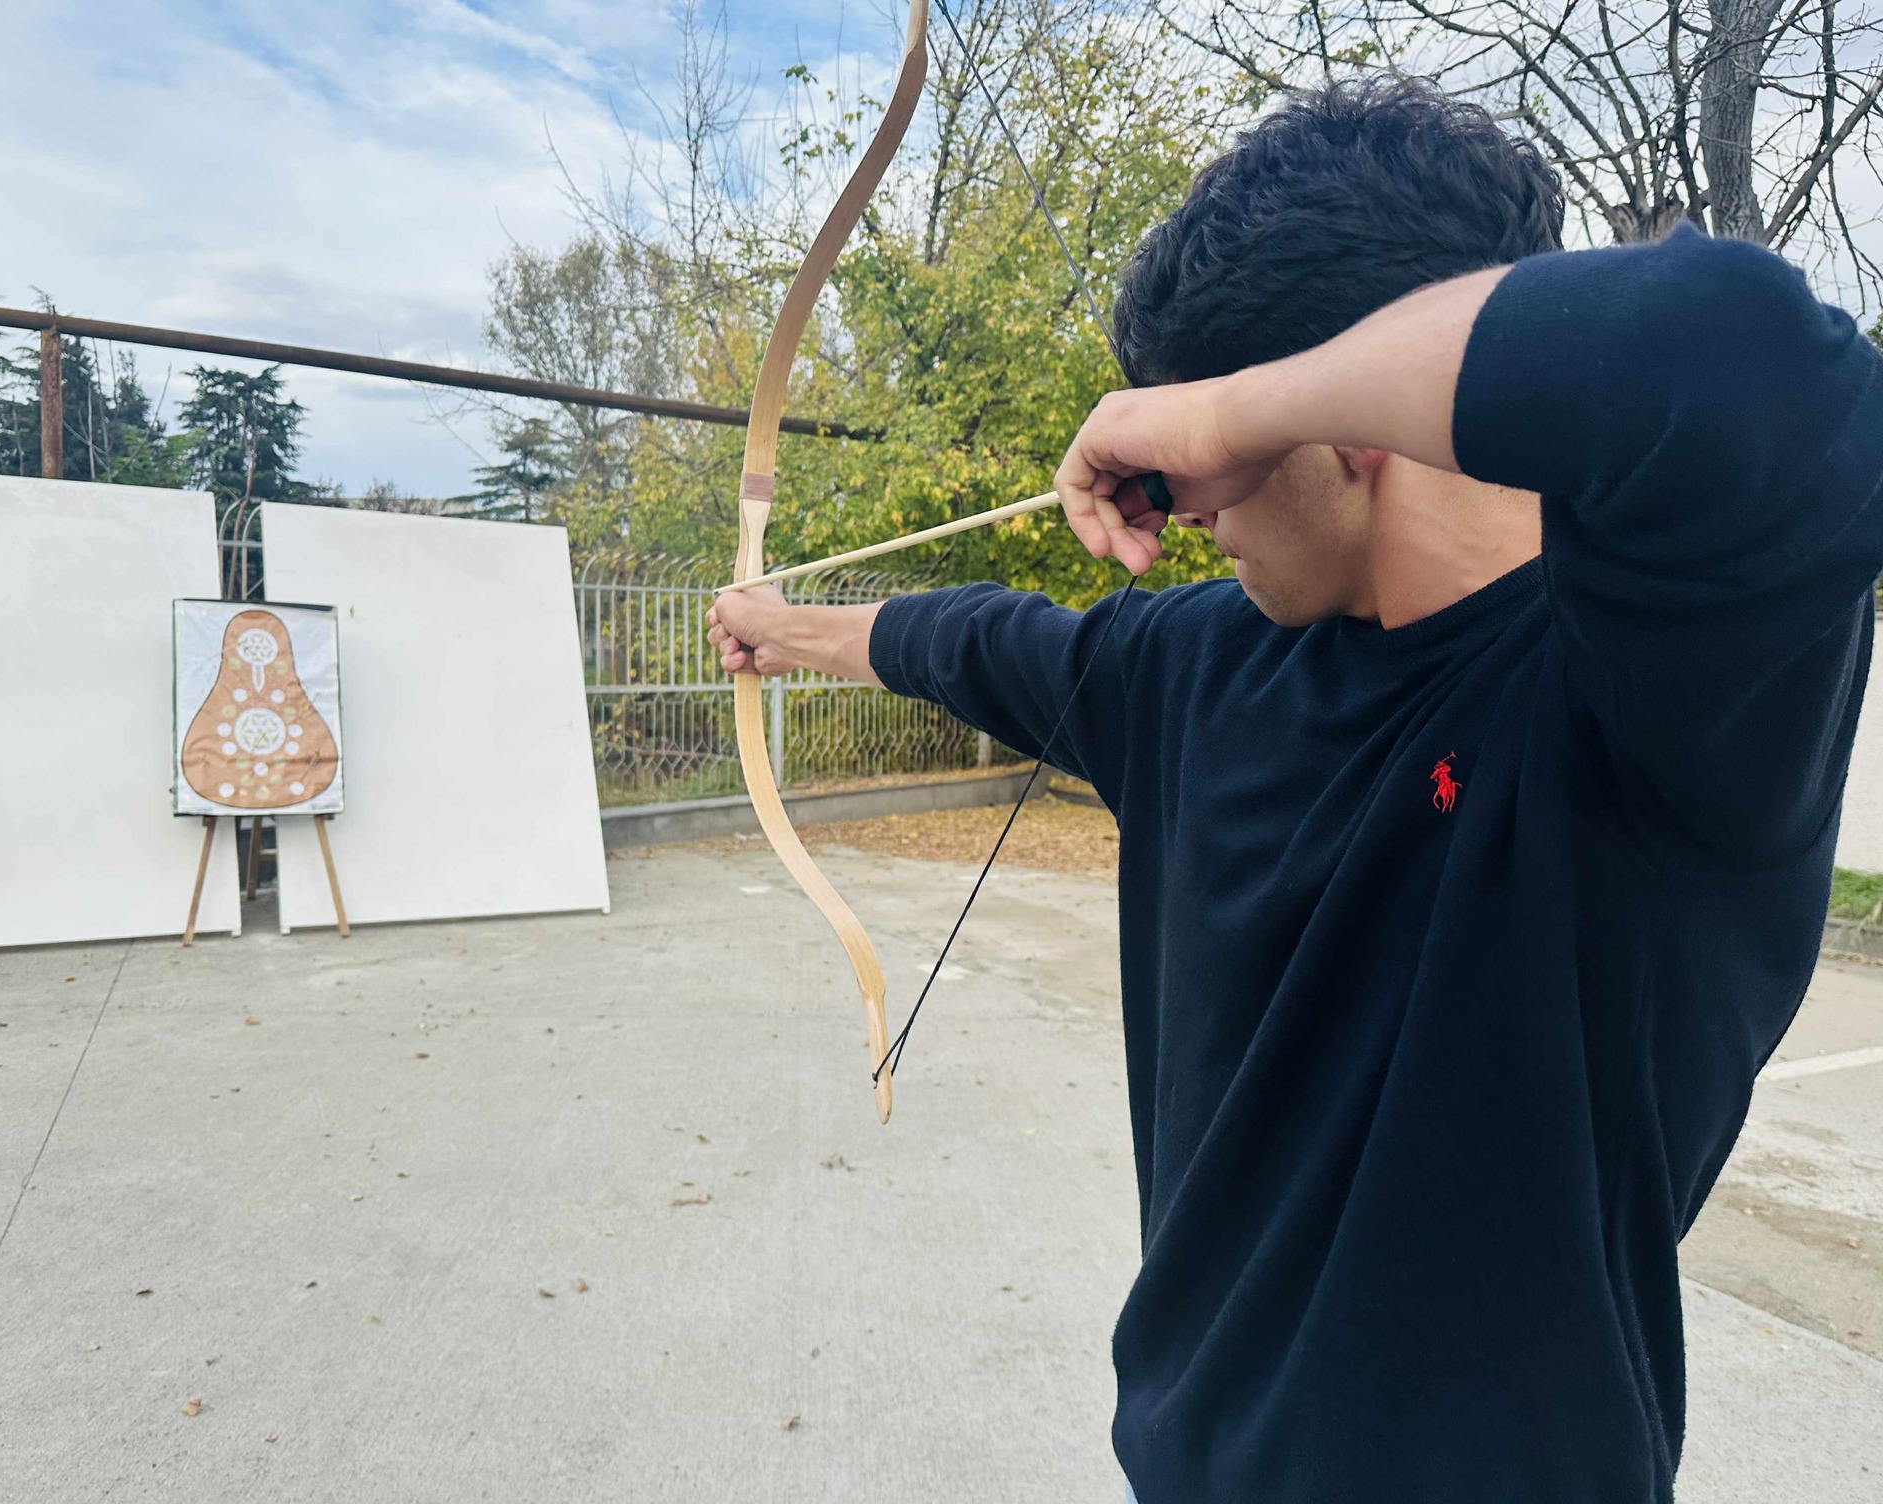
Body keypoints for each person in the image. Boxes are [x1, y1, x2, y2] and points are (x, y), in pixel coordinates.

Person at [708, 78, 1883, 1502]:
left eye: (1206, 460)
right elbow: (982, 641)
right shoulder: (1203, 667)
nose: (1185, 505)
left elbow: (1758, 352)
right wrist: (787, 630)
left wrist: (1239, 400)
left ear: (1353, 425)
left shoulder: (1658, 693)